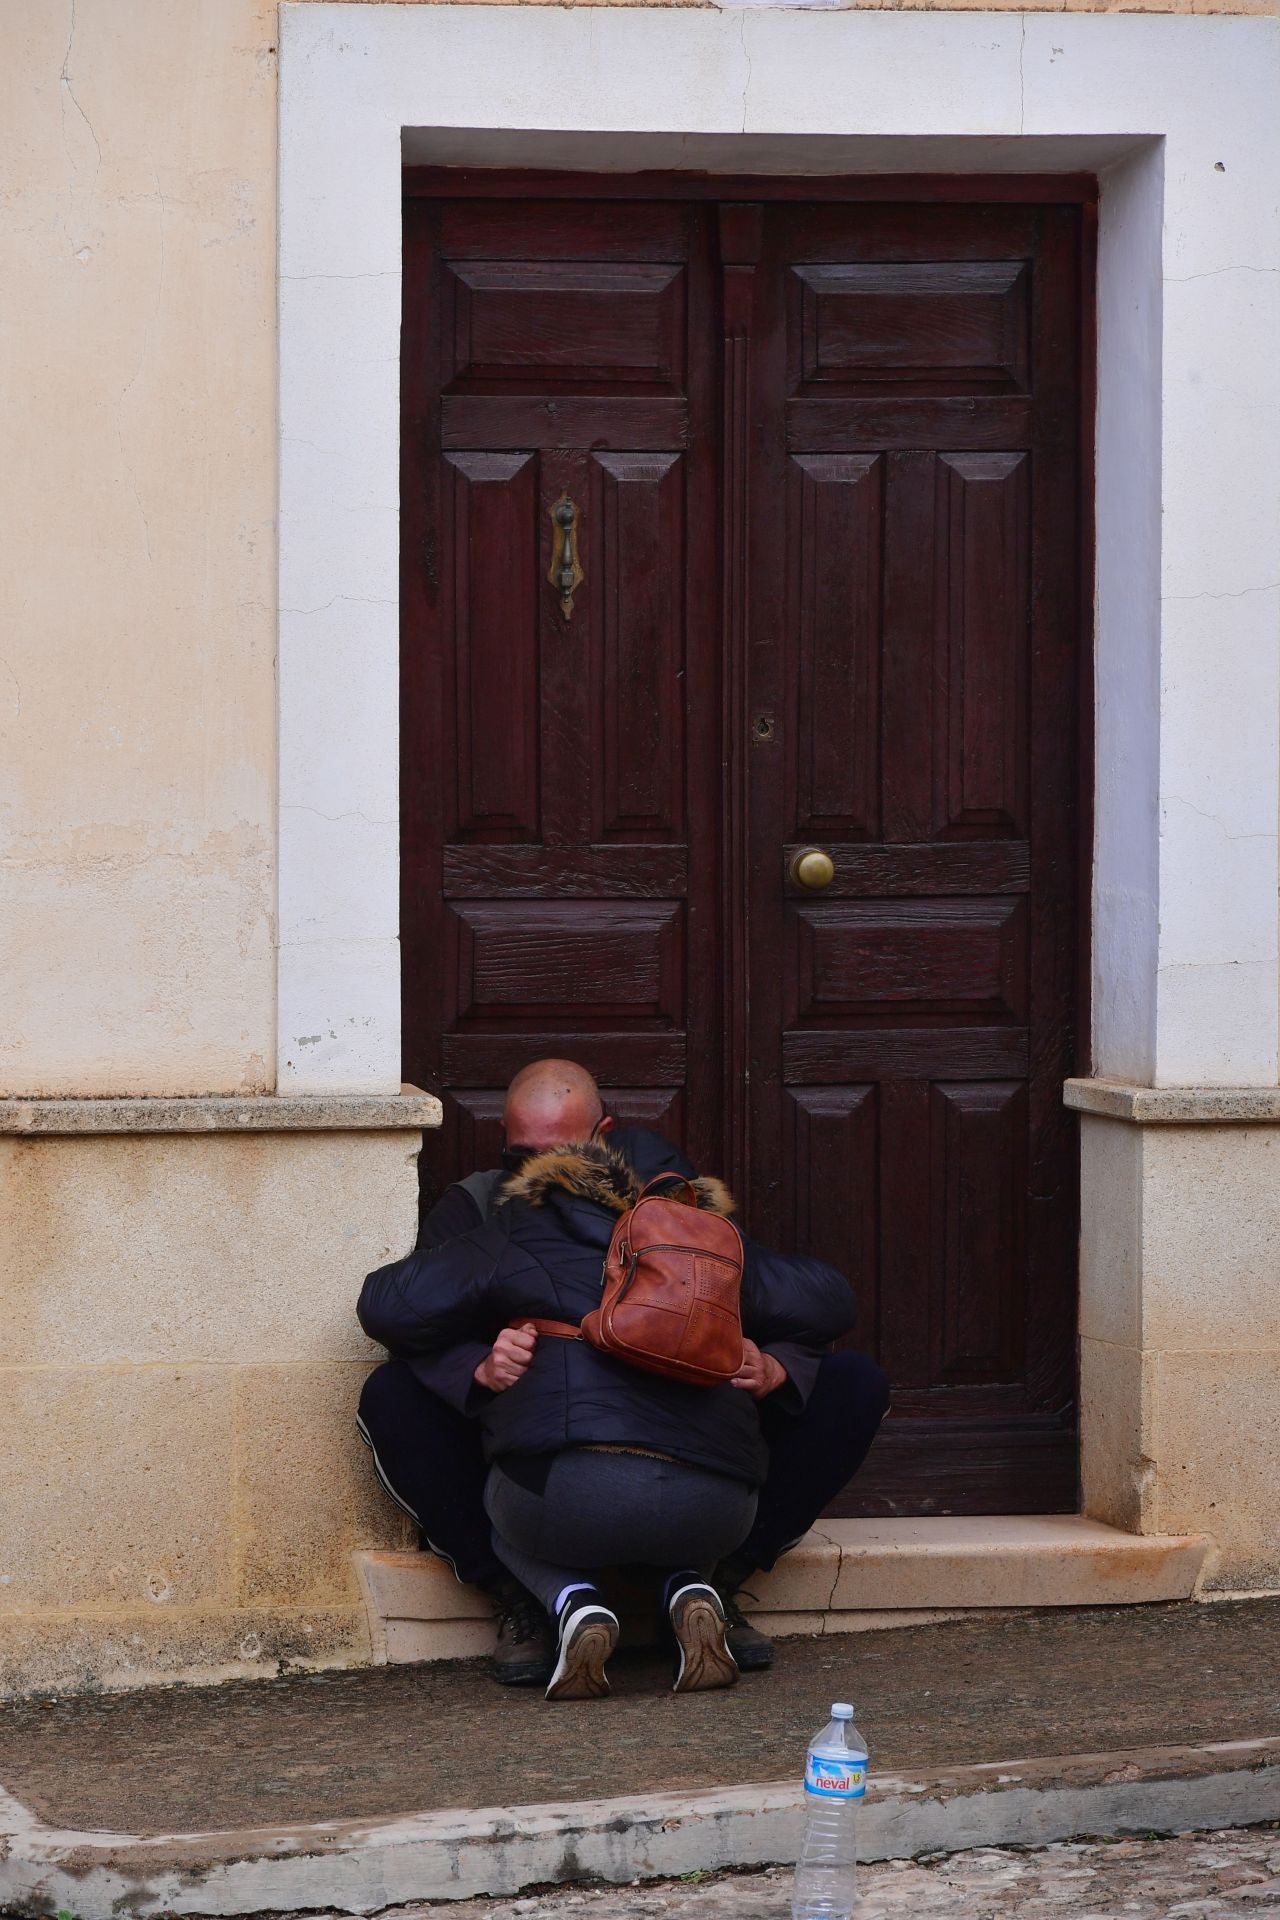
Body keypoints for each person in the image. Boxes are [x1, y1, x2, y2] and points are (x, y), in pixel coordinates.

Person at [357, 1061, 890, 1688]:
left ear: (601, 1139)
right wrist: (475, 1363)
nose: (536, 1171)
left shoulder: (684, 1223)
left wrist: (779, 1366)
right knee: (394, 1395)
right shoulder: (484, 1206)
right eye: (519, 1152)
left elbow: (810, 1309)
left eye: (556, 1154)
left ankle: (703, 1586)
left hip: (565, 1484)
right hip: (635, 1463)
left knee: (850, 1380)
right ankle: (533, 1603)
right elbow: (413, 1324)